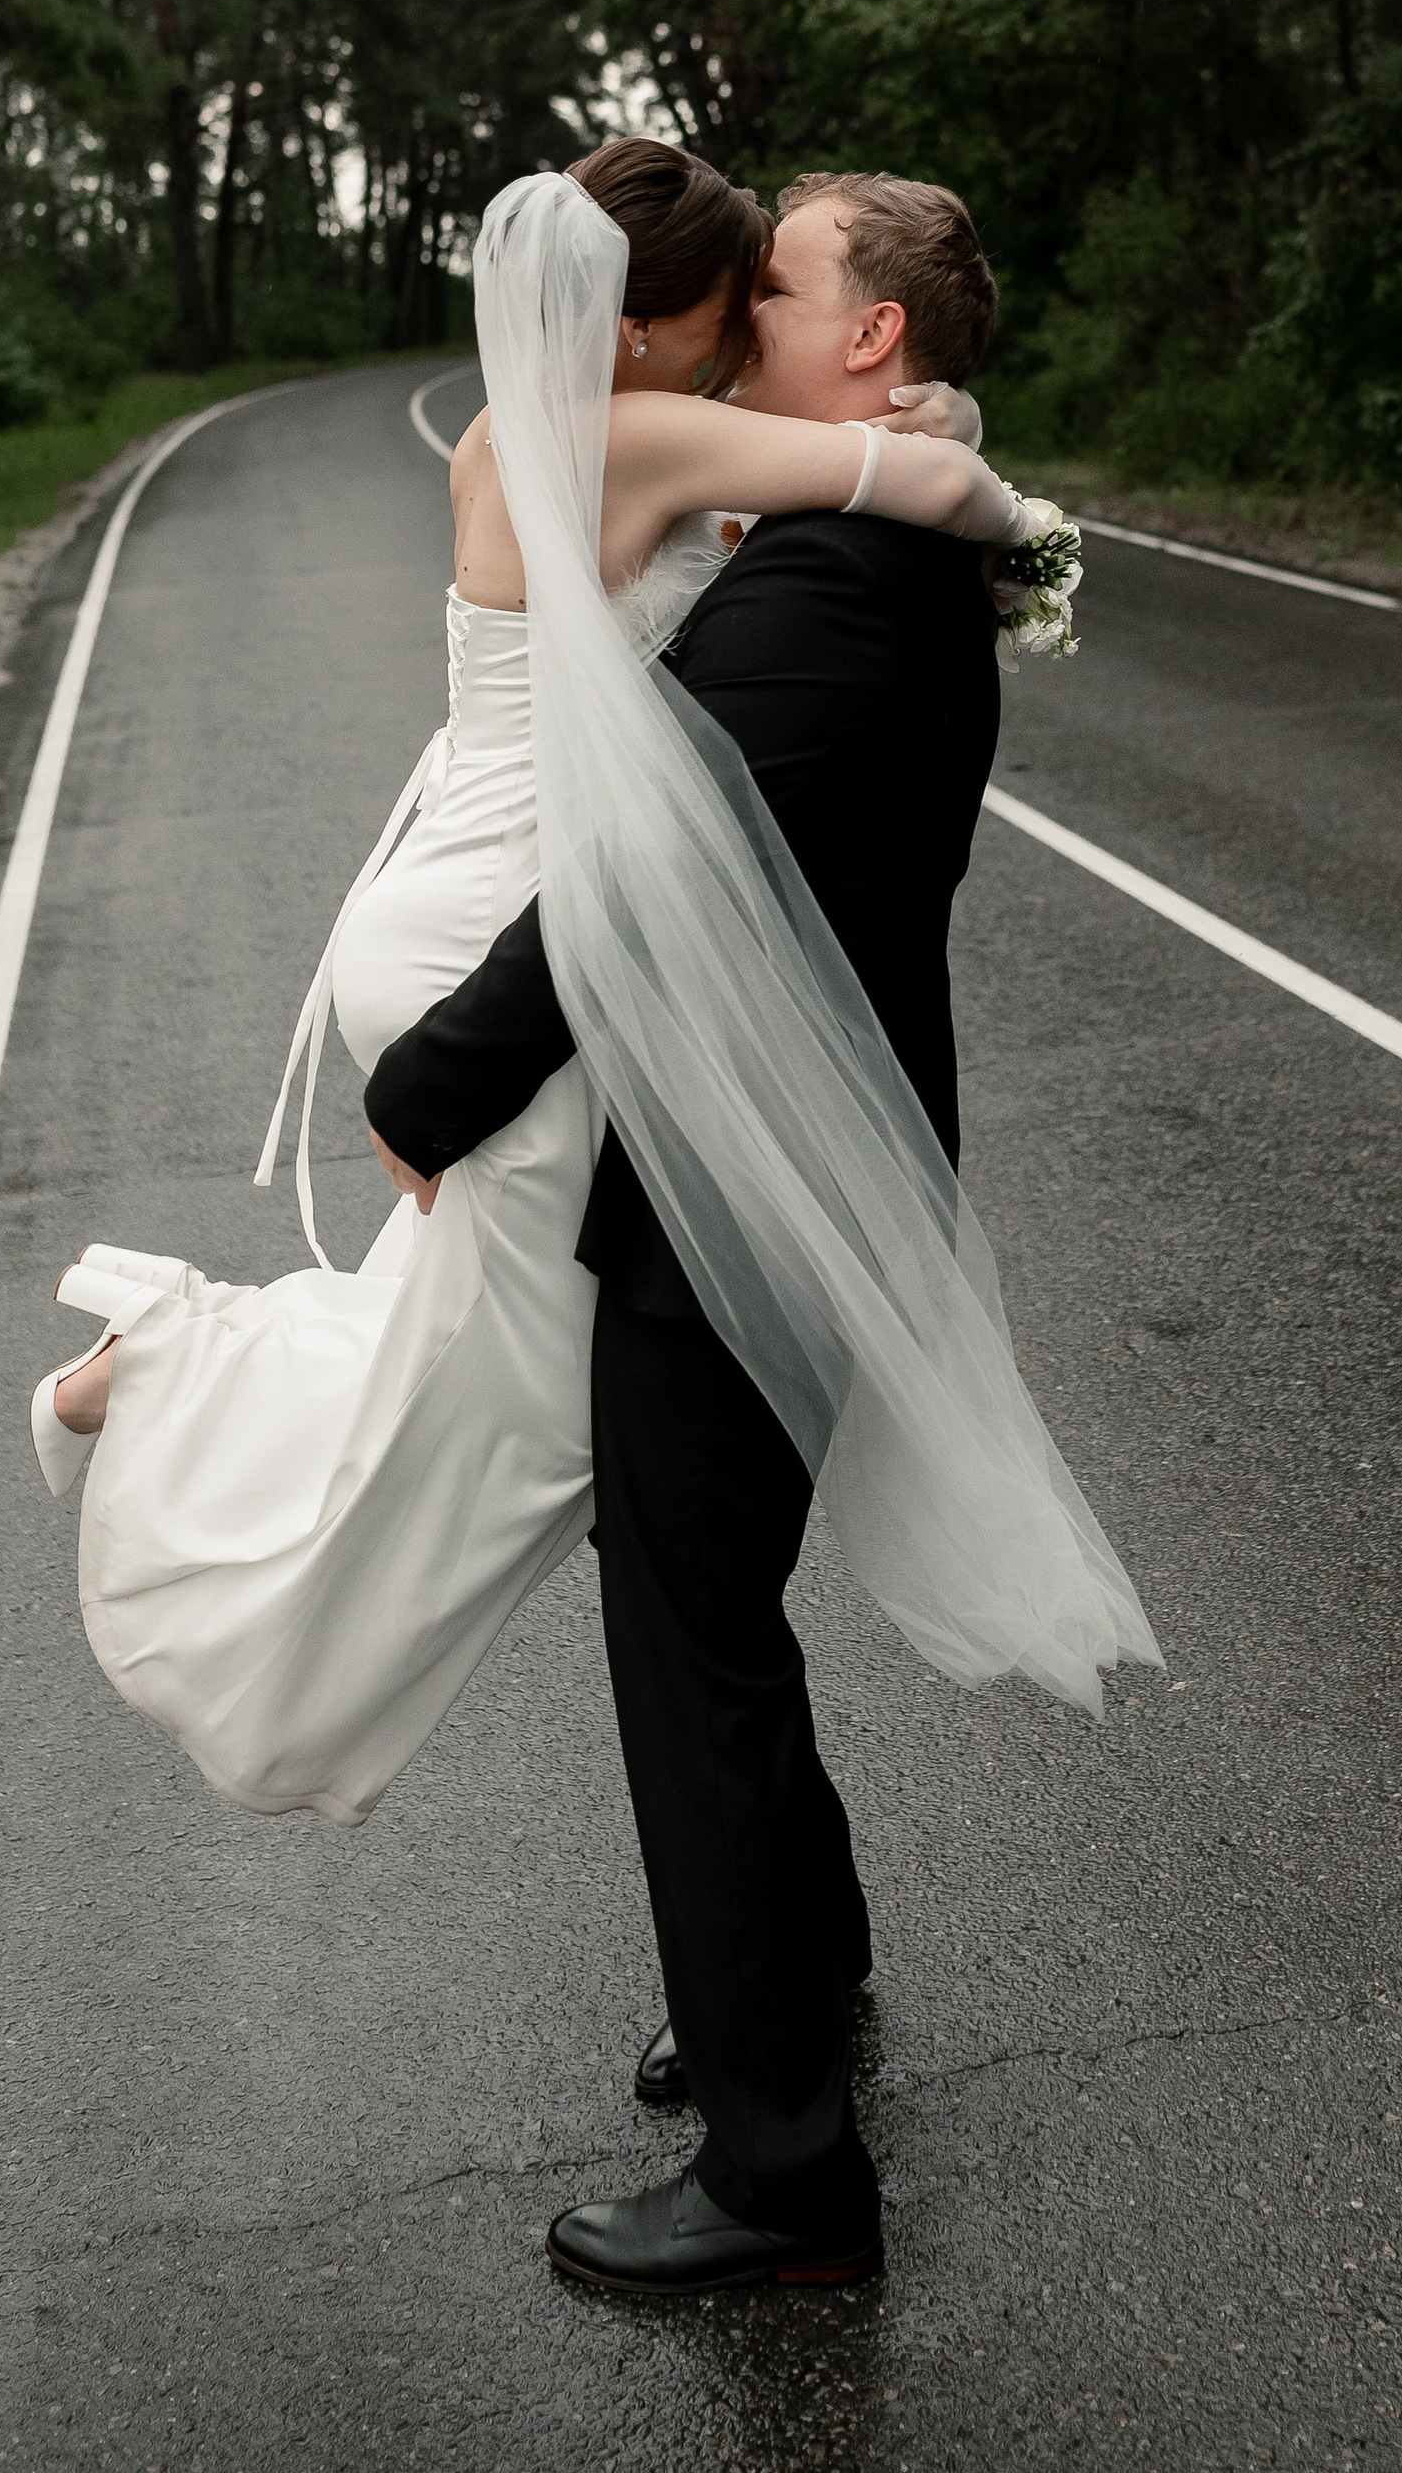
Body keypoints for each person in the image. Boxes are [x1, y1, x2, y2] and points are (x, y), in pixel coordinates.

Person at [362, 171, 1158, 2299]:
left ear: (869, 340)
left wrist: (428, 1079)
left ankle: (782, 2169)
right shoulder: (858, 538)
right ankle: (787, 1980)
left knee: (689, 1640)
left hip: (753, 1190)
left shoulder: (833, 585)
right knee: (702, 1598)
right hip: (790, 1158)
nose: (737, 329)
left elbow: (653, 863)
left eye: (778, 288)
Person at [26, 139, 1029, 1828]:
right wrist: (995, 486)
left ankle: (190, 1381)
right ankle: (174, 1375)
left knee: (511, 1346)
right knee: (572, 1402)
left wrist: (883, 427)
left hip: (436, 891)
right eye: (730, 307)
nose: (735, 342)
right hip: (510, 923)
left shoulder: (517, 434)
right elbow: (927, 498)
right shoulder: (641, 432)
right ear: (644, 326)